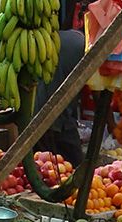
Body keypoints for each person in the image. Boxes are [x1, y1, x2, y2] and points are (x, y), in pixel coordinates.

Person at [34, 8, 86, 165]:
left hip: (33, 120)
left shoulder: (40, 42)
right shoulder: (80, 42)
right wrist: (111, 123)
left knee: (42, 171)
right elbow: (97, 92)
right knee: (77, 172)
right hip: (59, 121)